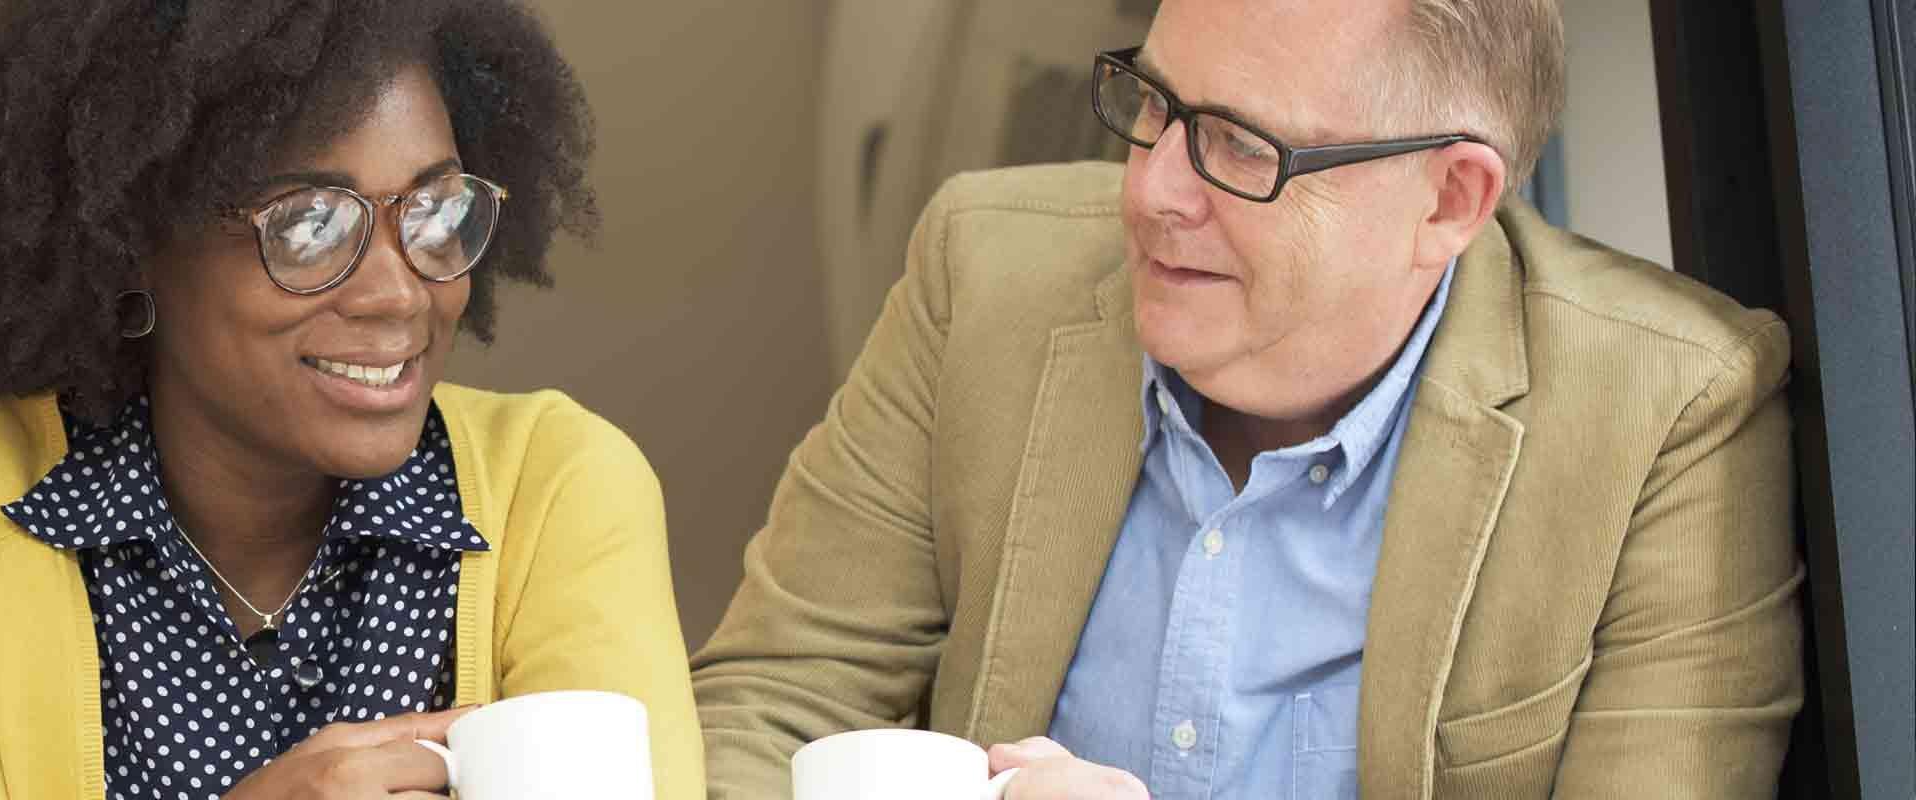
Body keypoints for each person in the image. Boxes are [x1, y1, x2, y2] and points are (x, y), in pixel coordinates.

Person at [689, 0, 1802, 797]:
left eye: (1237, 144)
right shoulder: (983, 271)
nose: (1153, 187)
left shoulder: (1674, 409)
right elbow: (770, 708)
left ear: (1449, 199)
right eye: (1155, 103)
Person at [0, 1, 701, 798]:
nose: (398, 294)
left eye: (435, 210)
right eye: (312, 223)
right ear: (133, 240)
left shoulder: (555, 485)